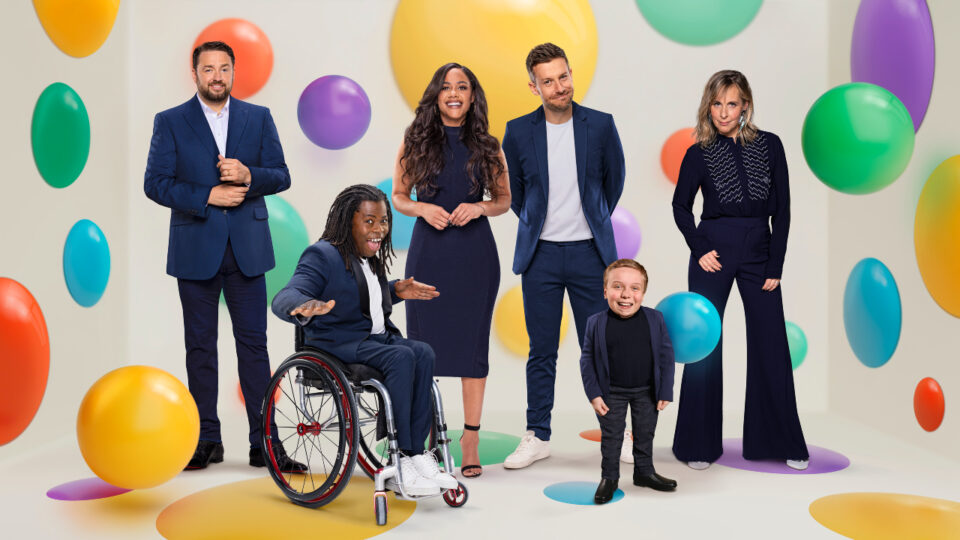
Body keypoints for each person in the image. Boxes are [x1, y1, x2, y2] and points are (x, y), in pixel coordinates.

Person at [144, 41, 300, 471]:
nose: (217, 76)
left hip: (247, 250)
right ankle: (205, 439)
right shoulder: (171, 121)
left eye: (224, 68)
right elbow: (155, 183)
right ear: (194, 74)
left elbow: (282, 175)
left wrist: (249, 175)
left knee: (255, 347)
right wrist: (206, 195)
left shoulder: (258, 117)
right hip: (195, 247)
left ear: (234, 72)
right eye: (208, 68)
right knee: (200, 347)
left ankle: (262, 441)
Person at [271, 184, 458, 496]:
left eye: (383, 221)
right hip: (338, 345)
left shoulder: (368, 255)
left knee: (422, 352)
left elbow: (361, 296)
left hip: (374, 339)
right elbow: (288, 292)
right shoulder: (323, 255)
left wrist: (395, 290)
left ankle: (418, 455)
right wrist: (300, 304)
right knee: (401, 358)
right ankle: (403, 457)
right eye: (369, 221)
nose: (379, 230)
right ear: (348, 222)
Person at [671, 70, 809, 471]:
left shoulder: (770, 145)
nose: (723, 112)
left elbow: (782, 209)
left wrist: (775, 263)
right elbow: (681, 207)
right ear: (707, 106)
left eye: (731, 103)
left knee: (771, 344)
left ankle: (778, 440)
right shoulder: (698, 152)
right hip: (713, 249)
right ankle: (698, 444)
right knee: (703, 346)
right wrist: (700, 248)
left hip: (759, 252)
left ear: (745, 104)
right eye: (716, 104)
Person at [501, 42, 625, 469]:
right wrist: (541, 224)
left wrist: (588, 221)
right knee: (541, 350)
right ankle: (538, 435)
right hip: (541, 258)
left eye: (563, 77)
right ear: (534, 87)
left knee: (601, 348)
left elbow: (613, 184)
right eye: (548, 81)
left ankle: (615, 434)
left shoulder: (601, 125)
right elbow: (516, 194)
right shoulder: (517, 132)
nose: (559, 87)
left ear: (571, 74)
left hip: (592, 255)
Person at [392, 63, 511, 479]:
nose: (455, 93)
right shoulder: (417, 139)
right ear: (436, 95)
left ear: (473, 95)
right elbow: (398, 195)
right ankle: (424, 437)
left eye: (463, 86)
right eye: (446, 87)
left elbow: (503, 200)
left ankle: (470, 438)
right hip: (429, 253)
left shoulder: (488, 144)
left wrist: (478, 206)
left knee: (472, 350)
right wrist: (422, 207)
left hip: (475, 257)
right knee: (423, 348)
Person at [579, 260, 677, 503]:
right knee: (611, 436)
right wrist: (594, 394)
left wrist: (665, 390)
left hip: (647, 391)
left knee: (645, 433)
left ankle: (644, 472)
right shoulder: (595, 322)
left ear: (643, 293)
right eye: (617, 287)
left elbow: (666, 356)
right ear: (605, 291)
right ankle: (609, 477)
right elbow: (587, 360)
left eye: (635, 288)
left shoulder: (655, 319)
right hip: (611, 392)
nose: (626, 295)